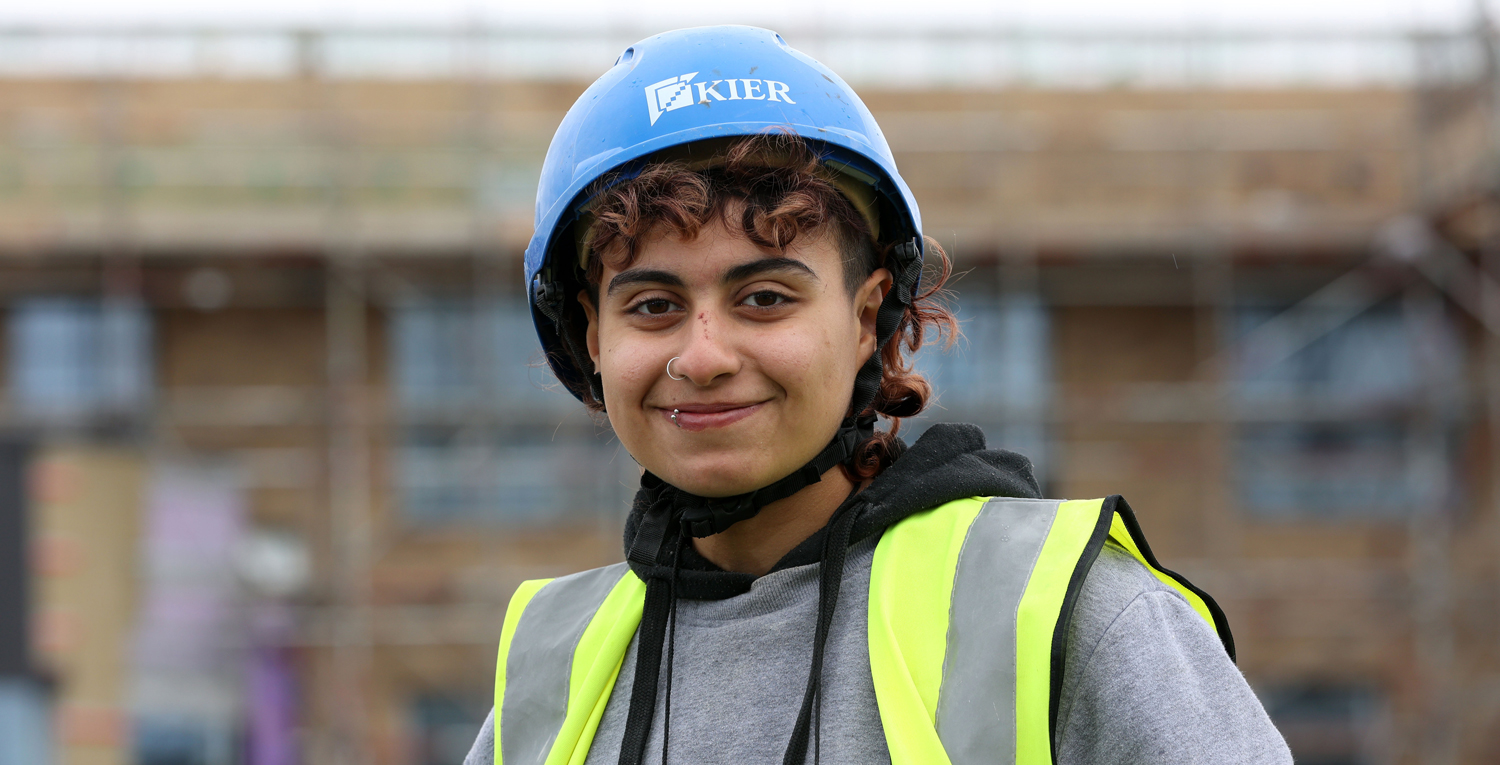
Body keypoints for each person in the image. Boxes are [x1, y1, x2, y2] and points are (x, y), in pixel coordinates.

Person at [466, 25, 1291, 765]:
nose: (704, 355)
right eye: (653, 306)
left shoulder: (1067, 617)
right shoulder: (548, 670)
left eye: (765, 299)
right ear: (594, 336)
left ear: (866, 318)